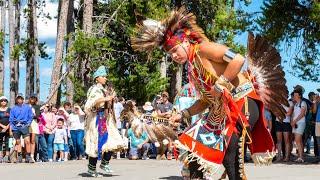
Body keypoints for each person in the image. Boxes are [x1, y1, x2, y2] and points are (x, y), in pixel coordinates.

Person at [132, 7, 288, 179]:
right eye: (170, 54)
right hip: (222, 110)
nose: (174, 56)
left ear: (185, 42)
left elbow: (238, 59)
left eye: (175, 50)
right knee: (194, 150)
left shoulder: (203, 49)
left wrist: (221, 83)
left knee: (229, 153)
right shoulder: (192, 68)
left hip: (243, 102)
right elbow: (206, 101)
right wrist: (183, 113)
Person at [84, 65, 125, 177]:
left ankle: (104, 163)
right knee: (97, 142)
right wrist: (106, 99)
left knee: (113, 140)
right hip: (98, 117)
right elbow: (91, 103)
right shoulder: (94, 89)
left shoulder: (104, 90)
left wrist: (111, 99)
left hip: (106, 117)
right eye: (103, 76)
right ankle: (91, 169)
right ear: (97, 78)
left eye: (105, 76)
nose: (105, 78)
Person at [9, 93, 34, 163]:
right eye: (18, 98)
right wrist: (13, 126)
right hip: (16, 127)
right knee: (18, 142)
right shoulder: (13, 108)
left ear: (23, 99)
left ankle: (28, 157)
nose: (19, 99)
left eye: (21, 98)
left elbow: (31, 116)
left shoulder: (27, 107)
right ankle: (19, 157)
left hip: (24, 126)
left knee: (27, 141)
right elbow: (11, 119)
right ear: (16, 99)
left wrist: (28, 124)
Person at [291, 90, 307, 163]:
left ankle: (301, 157)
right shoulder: (296, 104)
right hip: (296, 124)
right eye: (294, 95)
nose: (294, 96)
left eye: (295, 95)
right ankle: (300, 157)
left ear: (300, 95)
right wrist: (293, 122)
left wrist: (294, 121)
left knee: (298, 140)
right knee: (298, 141)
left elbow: (302, 114)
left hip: (300, 123)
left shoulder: (303, 103)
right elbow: (294, 114)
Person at [28, 93, 41, 163]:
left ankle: (32, 156)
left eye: (34, 98)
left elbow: (37, 116)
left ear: (36, 99)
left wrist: (32, 114)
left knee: (33, 140)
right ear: (29, 98)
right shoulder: (26, 106)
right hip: (26, 123)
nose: (33, 99)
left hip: (34, 123)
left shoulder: (37, 106)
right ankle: (27, 155)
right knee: (27, 140)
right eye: (31, 97)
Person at [0, 96, 10, 163]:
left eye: (5, 100)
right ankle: (0, 157)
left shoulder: (10, 109)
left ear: (7, 102)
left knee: (8, 142)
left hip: (8, 128)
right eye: (2, 101)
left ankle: (7, 156)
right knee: (0, 142)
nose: (3, 102)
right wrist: (3, 126)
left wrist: (7, 127)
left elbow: (12, 119)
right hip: (0, 128)